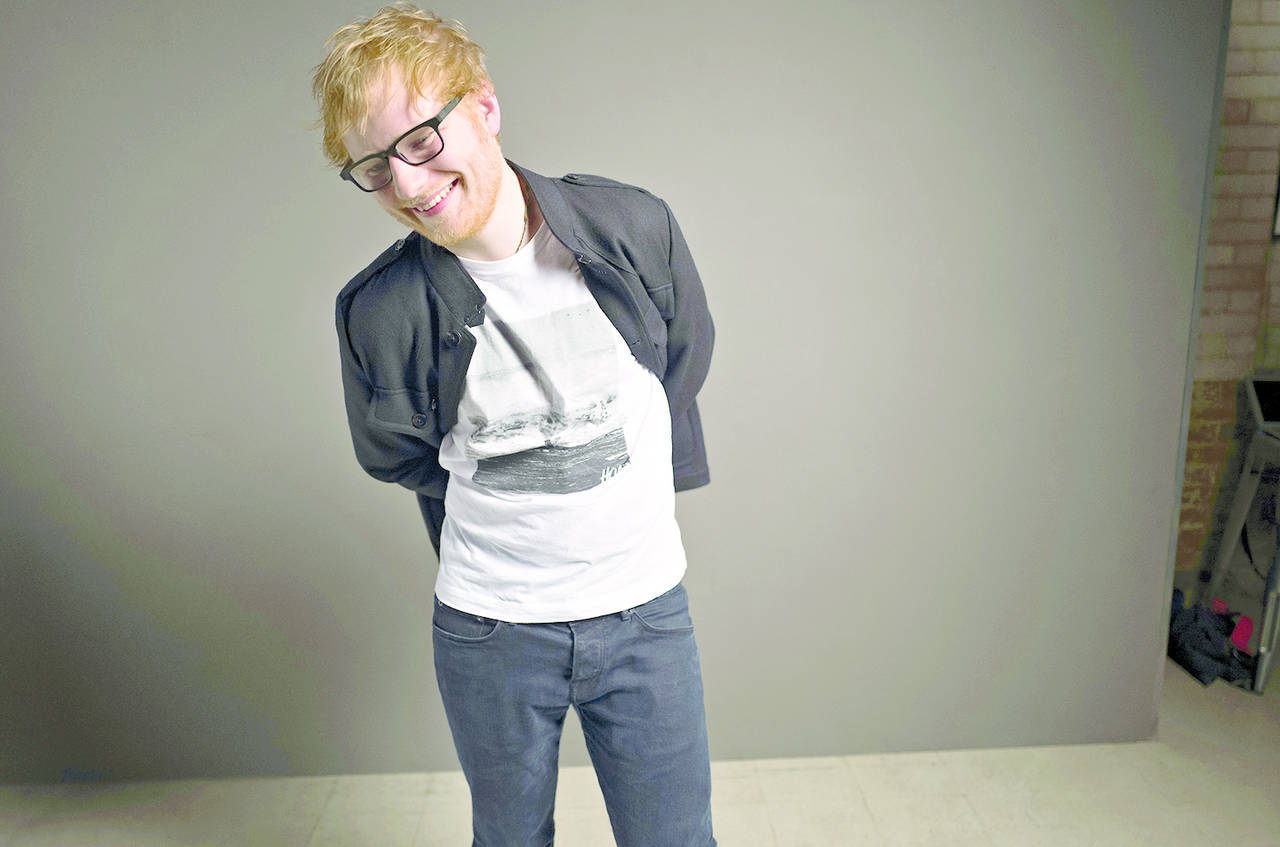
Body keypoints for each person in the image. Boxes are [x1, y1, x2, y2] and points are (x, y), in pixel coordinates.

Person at [312, 5, 716, 845]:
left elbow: (682, 359)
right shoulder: (378, 311)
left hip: (646, 611)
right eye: (376, 167)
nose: (409, 186)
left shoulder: (634, 227)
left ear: (484, 106)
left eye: (421, 139)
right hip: (489, 631)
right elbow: (397, 454)